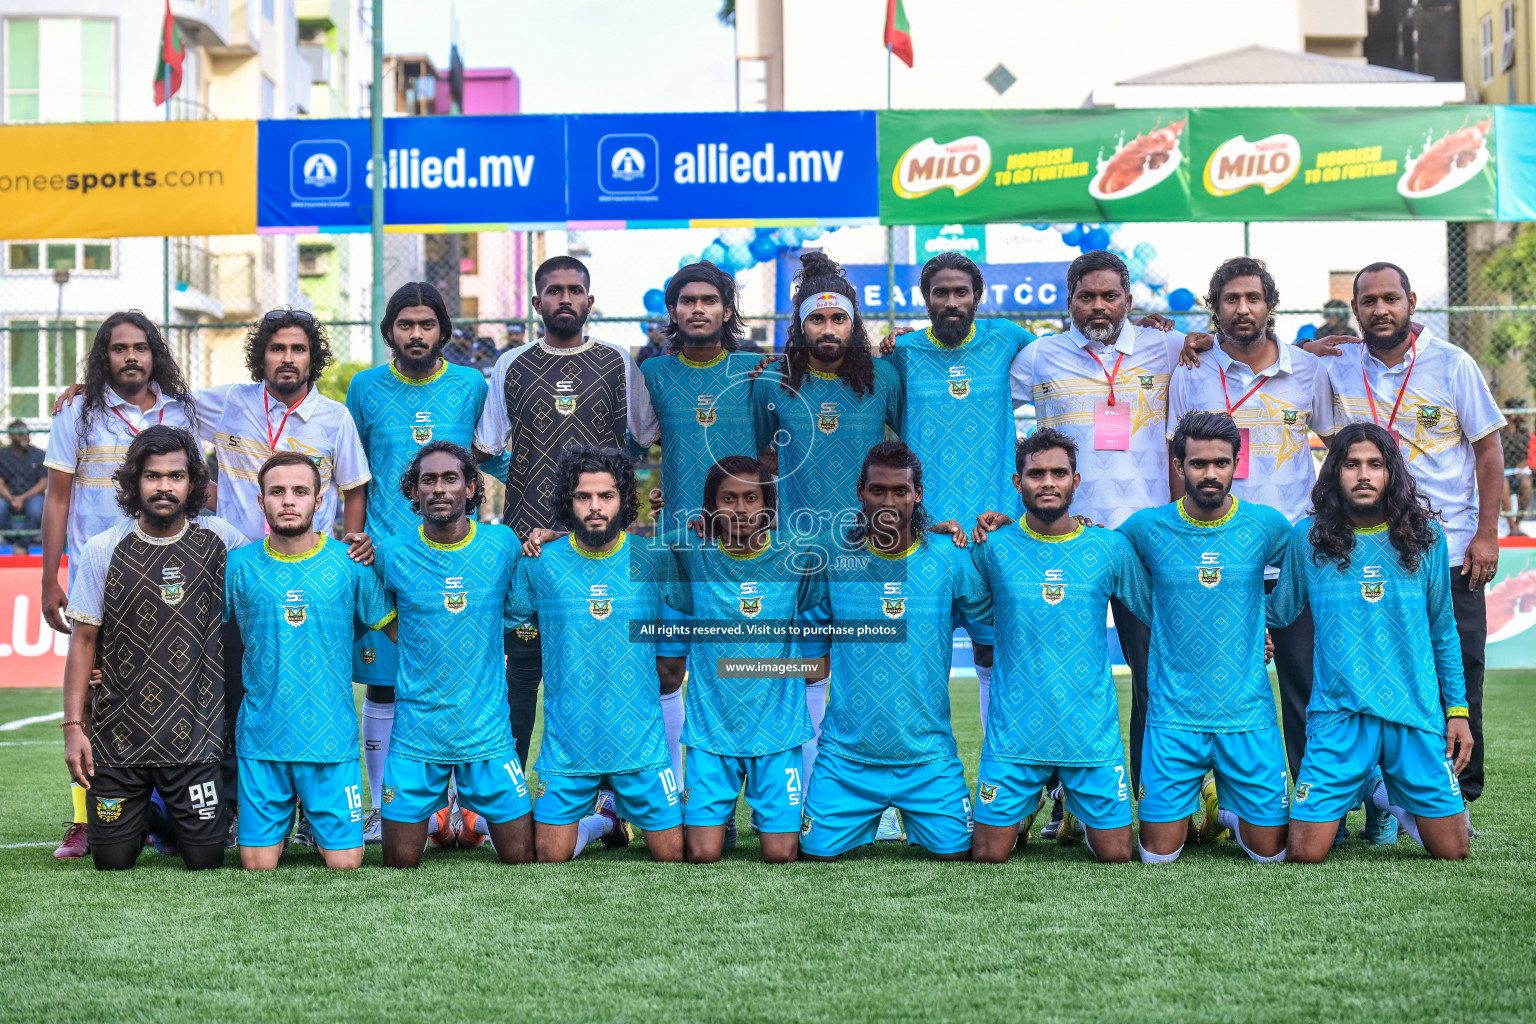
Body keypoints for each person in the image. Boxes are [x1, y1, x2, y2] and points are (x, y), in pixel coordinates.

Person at [1008, 250, 1188, 833]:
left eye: (1110, 296)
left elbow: (1230, 351)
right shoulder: (1038, 357)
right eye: (1086, 297)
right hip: (1064, 544)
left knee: (1152, 674)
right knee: (1058, 675)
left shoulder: (1168, 348)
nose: (1098, 307)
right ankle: (1064, 804)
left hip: (1145, 542)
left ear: (1129, 300)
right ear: (1069, 302)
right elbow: (978, 394)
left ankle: (1150, 796)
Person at [191, 309, 372, 845]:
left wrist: (345, 554)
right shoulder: (229, 403)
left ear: (312, 356)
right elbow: (161, 400)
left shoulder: (334, 417)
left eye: (297, 349)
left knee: (317, 692)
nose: (287, 358)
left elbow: (354, 487)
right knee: (235, 698)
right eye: (276, 348)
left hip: (314, 577)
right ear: (261, 356)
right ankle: (235, 814)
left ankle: (318, 820)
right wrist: (91, 390)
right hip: (241, 577)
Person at [474, 256, 660, 769]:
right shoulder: (512, 363)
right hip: (527, 542)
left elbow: (646, 439)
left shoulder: (618, 362)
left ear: (589, 302)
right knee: (520, 673)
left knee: (596, 670)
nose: (564, 299)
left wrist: (603, 499)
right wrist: (529, 479)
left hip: (596, 547)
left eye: (574, 290)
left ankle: (604, 795)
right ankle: (504, 794)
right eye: (553, 291)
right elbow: (486, 446)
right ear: (537, 303)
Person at [1166, 258, 1336, 811]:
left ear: (1271, 306)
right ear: (1215, 307)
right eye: (1232, 299)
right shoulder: (1189, 368)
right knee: (1203, 682)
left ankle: (1319, 802)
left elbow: (1338, 445)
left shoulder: (1307, 372)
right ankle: (1191, 806)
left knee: (1305, 685)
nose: (1244, 309)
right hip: (1215, 555)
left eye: (1254, 298)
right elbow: (1177, 461)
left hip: (1290, 554)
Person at [1268, 423, 1472, 863]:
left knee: (1453, 851)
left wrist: (1458, 711)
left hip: (1413, 712)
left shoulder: (1427, 538)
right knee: (1304, 854)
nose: (1364, 475)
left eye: (1375, 465)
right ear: (1334, 473)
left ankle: (1385, 792)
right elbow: (1278, 612)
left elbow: (1443, 630)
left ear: (1391, 472)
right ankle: (1371, 783)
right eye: (1351, 464)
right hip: (1339, 714)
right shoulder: (1308, 538)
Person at [42, 311, 198, 860]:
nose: (130, 357)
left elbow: (202, 486)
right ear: (102, 356)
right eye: (118, 348)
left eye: (140, 347)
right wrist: (49, 576)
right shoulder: (77, 413)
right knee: (95, 691)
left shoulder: (185, 410)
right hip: (100, 572)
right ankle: (87, 817)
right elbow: (58, 498)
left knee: (173, 687)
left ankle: (163, 812)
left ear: (155, 353)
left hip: (170, 569)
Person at [60, 426, 251, 871]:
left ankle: (165, 818)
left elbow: (274, 564)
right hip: (120, 741)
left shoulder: (220, 538)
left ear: (193, 484)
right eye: (152, 476)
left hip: (195, 743)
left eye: (176, 476)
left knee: (204, 859)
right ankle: (142, 811)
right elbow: (83, 640)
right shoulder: (102, 549)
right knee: (112, 861)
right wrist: (73, 726)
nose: (165, 486)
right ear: (134, 482)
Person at [345, 282, 496, 843]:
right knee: (384, 687)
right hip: (384, 560)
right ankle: (386, 807)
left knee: (453, 679)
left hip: (453, 559)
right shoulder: (364, 388)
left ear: (442, 331)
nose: (415, 334)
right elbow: (353, 472)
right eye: (405, 325)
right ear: (390, 331)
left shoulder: (469, 384)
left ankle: (456, 807)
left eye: (426, 324)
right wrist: (355, 538)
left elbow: (491, 455)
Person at [751, 251, 903, 791]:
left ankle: (880, 797)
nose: (829, 328)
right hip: (801, 558)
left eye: (840, 318)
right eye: (818, 318)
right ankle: (818, 793)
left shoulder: (884, 378)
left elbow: (907, 457)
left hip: (872, 556)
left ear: (854, 322)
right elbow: (751, 468)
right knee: (807, 680)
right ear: (800, 324)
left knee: (873, 682)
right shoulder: (772, 384)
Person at [797, 441, 988, 862]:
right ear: (860, 490)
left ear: (917, 494)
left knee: (960, 853)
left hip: (927, 758)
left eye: (900, 491)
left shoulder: (948, 558)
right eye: (877, 490)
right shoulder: (833, 556)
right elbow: (811, 657)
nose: (889, 501)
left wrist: (1001, 534)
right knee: (812, 852)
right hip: (846, 759)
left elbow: (991, 628)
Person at [968, 428, 1150, 864]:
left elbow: (1159, 614)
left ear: (1076, 481)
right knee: (987, 855)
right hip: (1016, 734)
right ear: (1018, 483)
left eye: (1059, 473)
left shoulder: (1109, 548)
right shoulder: (992, 548)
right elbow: (950, 593)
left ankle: (1076, 812)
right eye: (1036, 474)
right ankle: (1025, 808)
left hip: (1089, 733)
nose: (1047, 482)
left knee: (1117, 855)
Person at [1118, 412, 1293, 864]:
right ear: (1179, 466)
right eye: (1198, 464)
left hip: (1246, 714)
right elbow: (1097, 555)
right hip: (1174, 716)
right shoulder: (1146, 527)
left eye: (1221, 462)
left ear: (1238, 462)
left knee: (1269, 854)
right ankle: (1210, 796)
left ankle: (1228, 810)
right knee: (1159, 854)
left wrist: (1261, 623)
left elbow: (1304, 573)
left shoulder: (1267, 525)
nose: (1210, 473)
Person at [507, 445, 682, 864]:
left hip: (639, 743)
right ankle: (605, 820)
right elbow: (499, 620)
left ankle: (615, 810)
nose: (595, 506)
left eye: (606, 495)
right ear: (568, 501)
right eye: (583, 496)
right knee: (550, 856)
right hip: (568, 745)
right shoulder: (540, 561)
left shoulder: (653, 559)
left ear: (623, 498)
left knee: (674, 855)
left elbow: (703, 603)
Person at [224, 452, 394, 870]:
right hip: (263, 738)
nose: (288, 500)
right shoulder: (238, 566)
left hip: (329, 739)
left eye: (300, 491)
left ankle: (318, 823)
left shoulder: (350, 564)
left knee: (346, 864)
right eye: (277, 491)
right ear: (260, 499)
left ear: (319, 501)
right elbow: (197, 636)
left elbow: (399, 632)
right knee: (257, 865)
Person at [371, 442, 534, 868]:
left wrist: (547, 539)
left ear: (471, 486)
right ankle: (443, 820)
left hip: (486, 732)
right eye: (429, 480)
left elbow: (523, 598)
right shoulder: (391, 553)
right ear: (413, 491)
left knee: (522, 856)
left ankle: (469, 821)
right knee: (399, 862)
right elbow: (382, 612)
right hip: (416, 734)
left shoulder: (502, 545)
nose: (439, 488)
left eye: (450, 479)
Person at [641, 261, 762, 804]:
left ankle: (770, 794)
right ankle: (674, 790)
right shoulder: (653, 375)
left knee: (747, 667)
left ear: (727, 310)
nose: (697, 308)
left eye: (708, 300)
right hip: (674, 545)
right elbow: (631, 450)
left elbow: (778, 452)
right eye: (686, 300)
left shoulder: (758, 372)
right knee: (668, 668)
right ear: (672, 311)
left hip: (744, 550)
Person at [659, 455, 819, 864]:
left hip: (776, 729)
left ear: (769, 505)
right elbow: (633, 545)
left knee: (782, 854)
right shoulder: (691, 549)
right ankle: (719, 814)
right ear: (711, 506)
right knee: (702, 854)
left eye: (752, 498)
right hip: (713, 728)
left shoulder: (797, 555)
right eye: (728, 498)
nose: (741, 508)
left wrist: (935, 532)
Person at [0, 419, 46, 530]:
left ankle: (21, 544)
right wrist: (12, 499)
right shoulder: (2, 455)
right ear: (11, 436)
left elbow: (44, 482)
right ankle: (14, 541)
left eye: (27, 433)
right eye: (21, 433)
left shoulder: (38, 454)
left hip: (33, 496)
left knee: (36, 511)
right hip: (7, 496)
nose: (25, 436)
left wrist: (22, 498)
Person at [1503, 400, 1529, 535]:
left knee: (1526, 483)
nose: (1526, 414)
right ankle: (1512, 526)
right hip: (1503, 471)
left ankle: (1518, 524)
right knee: (1503, 484)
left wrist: (1521, 467)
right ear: (1513, 415)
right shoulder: (1500, 433)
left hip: (1519, 471)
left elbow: (1528, 454)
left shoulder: (1524, 433)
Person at [1292, 299, 1359, 346]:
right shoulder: (1322, 331)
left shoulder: (1351, 332)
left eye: (1332, 316)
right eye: (1327, 315)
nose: (1328, 318)